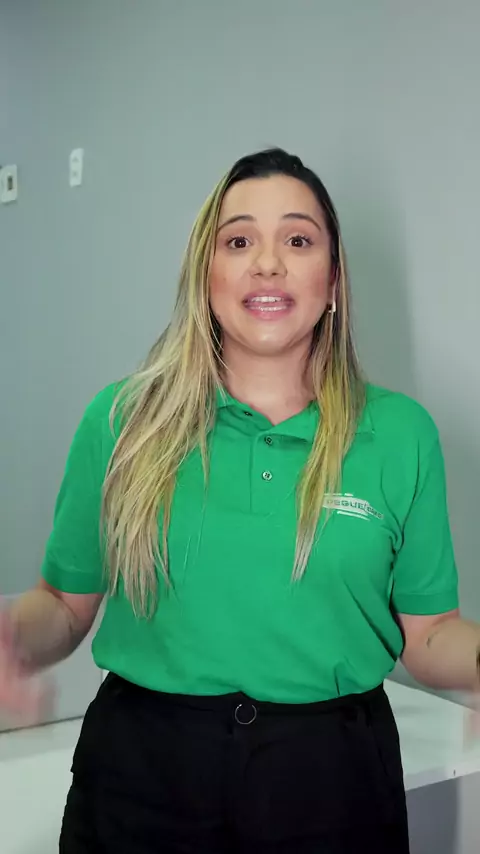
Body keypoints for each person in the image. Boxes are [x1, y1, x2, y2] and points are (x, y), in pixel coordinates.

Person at [1, 147, 479, 854]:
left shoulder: (401, 433)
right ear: (207, 275)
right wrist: (11, 636)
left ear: (334, 279)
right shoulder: (121, 421)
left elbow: (431, 633)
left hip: (333, 784)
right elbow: (64, 608)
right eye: (238, 241)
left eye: (298, 240)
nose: (268, 264)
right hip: (141, 779)